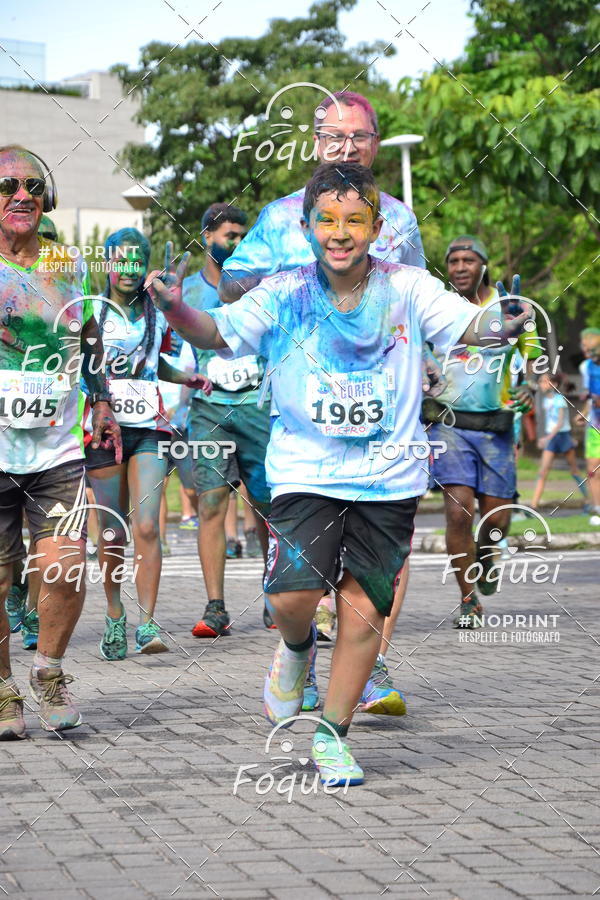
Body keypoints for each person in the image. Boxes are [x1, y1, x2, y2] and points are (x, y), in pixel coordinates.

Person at [146, 162, 533, 784]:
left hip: (391, 474)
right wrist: (172, 309)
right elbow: (217, 333)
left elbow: (468, 324)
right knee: (292, 595)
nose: (340, 232)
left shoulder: (408, 286)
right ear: (306, 228)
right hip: (305, 467)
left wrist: (501, 322)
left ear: (376, 227)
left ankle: (332, 734)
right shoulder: (284, 291)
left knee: (362, 612)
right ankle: (296, 649)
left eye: (355, 220)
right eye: (326, 220)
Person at [219, 90, 429, 715]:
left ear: (375, 145)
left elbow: (414, 303)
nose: (345, 146)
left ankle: (365, 665)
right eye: (333, 136)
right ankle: (300, 647)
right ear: (315, 144)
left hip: (382, 415)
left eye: (358, 136)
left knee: (379, 559)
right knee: (302, 573)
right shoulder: (285, 216)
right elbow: (232, 283)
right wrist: (287, 278)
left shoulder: (400, 220)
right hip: (299, 413)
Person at [0, 144, 121, 739]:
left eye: (32, 185)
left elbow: (91, 336)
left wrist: (101, 398)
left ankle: (48, 671)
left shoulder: (68, 263)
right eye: (7, 186)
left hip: (56, 446)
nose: (21, 195)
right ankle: (2, 692)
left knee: (66, 563)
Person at [84, 229, 210, 660]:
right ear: (107, 263)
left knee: (148, 525)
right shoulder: (92, 312)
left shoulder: (156, 312)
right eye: (121, 261)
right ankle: (115, 613)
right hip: (104, 429)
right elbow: (82, 366)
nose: (129, 270)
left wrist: (186, 377)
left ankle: (148, 622)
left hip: (149, 429)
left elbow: (156, 364)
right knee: (112, 529)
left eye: (137, 262)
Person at [424, 234, 542, 627]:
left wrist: (530, 385)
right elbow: (415, 350)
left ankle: (488, 554)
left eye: (468, 260)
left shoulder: (511, 306)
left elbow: (536, 364)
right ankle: (468, 599)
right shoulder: (435, 308)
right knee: (458, 514)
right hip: (450, 426)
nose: (459, 267)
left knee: (496, 521)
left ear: (483, 265)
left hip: (497, 430)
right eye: (453, 260)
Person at [181, 203, 272, 638]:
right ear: (206, 238)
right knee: (212, 503)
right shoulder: (188, 292)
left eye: (241, 236)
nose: (235, 243)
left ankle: (276, 594)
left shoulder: (260, 288)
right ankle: (216, 607)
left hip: (257, 406)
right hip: (209, 410)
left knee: (269, 506)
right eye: (227, 236)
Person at [530, 373, 588, 511]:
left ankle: (590, 501)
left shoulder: (560, 399)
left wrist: (546, 438)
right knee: (543, 472)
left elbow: (560, 423)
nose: (542, 384)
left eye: (545, 381)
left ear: (554, 385)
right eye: (540, 382)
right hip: (552, 438)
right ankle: (533, 506)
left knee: (574, 471)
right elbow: (549, 422)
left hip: (562, 437)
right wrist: (545, 437)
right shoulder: (545, 400)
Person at [578, 328, 600, 526]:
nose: (585, 348)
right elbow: (590, 397)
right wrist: (583, 414)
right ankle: (597, 508)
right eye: (583, 345)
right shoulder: (585, 367)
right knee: (592, 468)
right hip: (595, 425)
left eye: (589, 345)